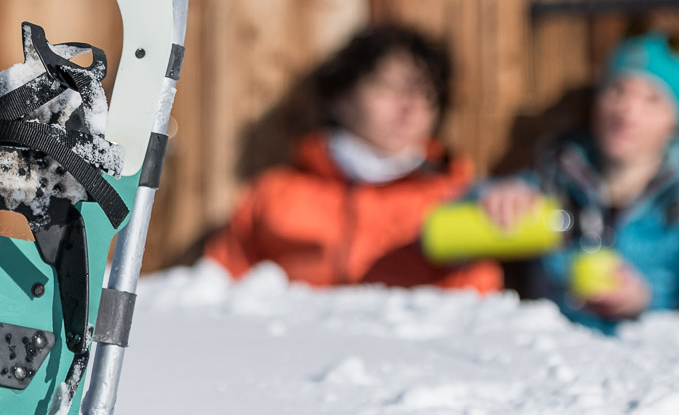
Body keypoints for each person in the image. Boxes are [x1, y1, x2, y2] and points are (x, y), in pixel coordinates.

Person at [205, 24, 501, 291]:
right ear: (342, 98)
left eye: (426, 94)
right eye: (390, 88)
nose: (409, 106)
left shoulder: (458, 196)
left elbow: (479, 306)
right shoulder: (274, 195)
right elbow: (215, 288)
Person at [478, 33, 679, 333]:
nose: (627, 112)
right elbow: (445, 215)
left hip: (649, 363)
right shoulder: (551, 181)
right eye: (618, 90)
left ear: (676, 121)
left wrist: (645, 303)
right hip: (549, 352)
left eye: (652, 100)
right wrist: (494, 196)